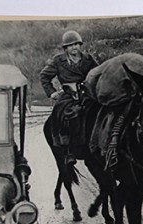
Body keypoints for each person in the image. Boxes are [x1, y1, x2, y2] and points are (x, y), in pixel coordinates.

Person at [39, 30, 99, 164]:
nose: (74, 48)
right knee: (64, 114)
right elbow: (44, 76)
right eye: (71, 45)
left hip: (88, 93)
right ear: (65, 48)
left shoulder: (88, 59)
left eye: (77, 44)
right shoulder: (58, 61)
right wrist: (52, 92)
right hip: (69, 94)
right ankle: (68, 149)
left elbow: (97, 73)